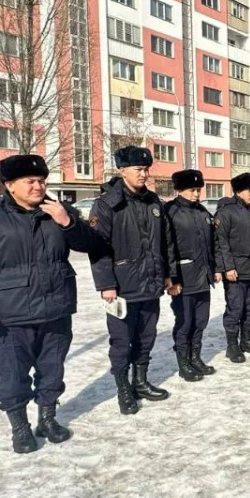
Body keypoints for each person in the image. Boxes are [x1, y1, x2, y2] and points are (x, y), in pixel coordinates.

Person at [0, 154, 100, 453]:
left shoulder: (57, 211)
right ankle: (19, 427)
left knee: (52, 369)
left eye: (42, 181)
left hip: (56, 308)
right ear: (10, 185)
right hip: (10, 315)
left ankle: (47, 419)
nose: (38, 186)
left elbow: (92, 244)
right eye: (30, 182)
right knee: (12, 373)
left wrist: (67, 222)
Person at [89, 146, 173, 415]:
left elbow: (166, 243)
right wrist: (106, 284)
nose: (143, 174)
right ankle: (123, 387)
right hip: (122, 287)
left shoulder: (153, 202)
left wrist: (169, 274)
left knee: (146, 337)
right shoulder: (107, 204)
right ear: (121, 170)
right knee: (122, 341)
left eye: (146, 169)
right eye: (138, 169)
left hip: (151, 283)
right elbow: (98, 247)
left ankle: (141, 381)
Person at [165, 169, 218, 382]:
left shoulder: (202, 212)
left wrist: (214, 270)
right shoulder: (170, 212)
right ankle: (183, 363)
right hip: (183, 278)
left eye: (198, 190)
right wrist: (172, 278)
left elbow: (212, 244)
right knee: (185, 322)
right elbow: (166, 247)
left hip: (203, 277)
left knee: (201, 321)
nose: (197, 194)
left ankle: (195, 357)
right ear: (179, 190)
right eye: (192, 190)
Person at [214, 173, 250, 363]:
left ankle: (246, 340)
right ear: (238, 191)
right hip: (236, 270)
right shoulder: (226, 212)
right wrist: (227, 267)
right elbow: (221, 242)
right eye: (248, 190)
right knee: (235, 308)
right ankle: (232, 346)